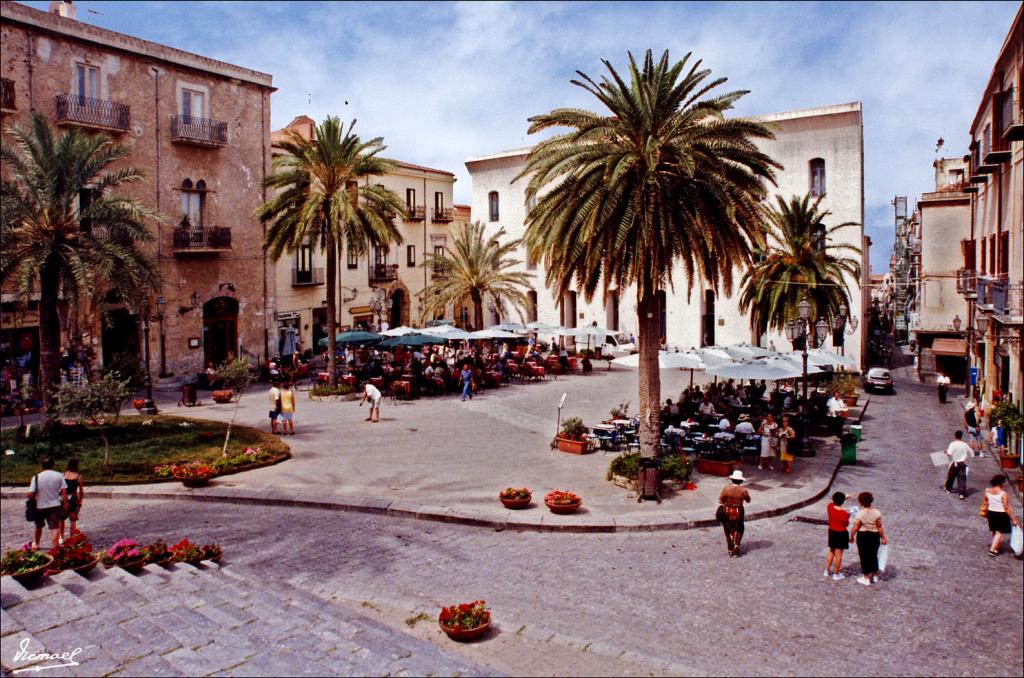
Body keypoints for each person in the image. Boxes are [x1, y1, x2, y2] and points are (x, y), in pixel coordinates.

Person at [27, 456, 67, 550]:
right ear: (53, 465)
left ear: (42, 466)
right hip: (55, 505)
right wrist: (65, 503)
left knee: (38, 525)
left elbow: (30, 493)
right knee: (55, 527)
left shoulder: (36, 477)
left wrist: (32, 499)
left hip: (40, 505)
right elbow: (64, 491)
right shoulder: (59, 475)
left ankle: (36, 544)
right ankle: (55, 546)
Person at [850, 491, 887, 586]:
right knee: (873, 555)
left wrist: (851, 536)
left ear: (861, 502)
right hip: (874, 536)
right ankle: (875, 575)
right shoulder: (877, 512)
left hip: (863, 536)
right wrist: (883, 537)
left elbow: (855, 527)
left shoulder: (860, 514)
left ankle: (866, 578)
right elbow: (879, 526)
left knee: (864, 556)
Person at [718, 470, 751, 557]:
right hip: (738, 511)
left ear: (732, 479)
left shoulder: (726, 488)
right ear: (741, 481)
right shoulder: (743, 490)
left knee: (727, 529)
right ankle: (736, 546)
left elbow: (721, 499)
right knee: (740, 528)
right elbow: (748, 500)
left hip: (728, 510)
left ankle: (729, 548)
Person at [984, 475, 1018, 556]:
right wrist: (1013, 519)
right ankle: (992, 550)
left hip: (991, 512)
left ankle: (997, 547)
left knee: (995, 531)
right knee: (999, 532)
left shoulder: (987, 490)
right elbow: (1006, 507)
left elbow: (986, 501)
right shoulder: (1003, 494)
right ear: (1001, 483)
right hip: (1001, 514)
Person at [824, 492, 850, 580]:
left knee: (831, 551)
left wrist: (843, 497)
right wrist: (848, 515)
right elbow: (846, 524)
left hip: (832, 532)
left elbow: (833, 502)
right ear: (842, 502)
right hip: (841, 534)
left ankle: (826, 570)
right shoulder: (843, 513)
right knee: (838, 555)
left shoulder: (829, 507)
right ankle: (836, 573)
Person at [61, 458, 84, 539]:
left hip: (63, 497)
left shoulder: (63, 474)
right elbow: (81, 491)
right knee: (73, 519)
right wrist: (80, 500)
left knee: (61, 519)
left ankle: (61, 537)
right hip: (73, 498)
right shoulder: (79, 476)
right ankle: (72, 538)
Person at [944, 430, 971, 499]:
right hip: (962, 463)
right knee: (962, 478)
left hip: (955, 462)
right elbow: (971, 452)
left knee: (951, 477)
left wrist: (945, 452)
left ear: (955, 436)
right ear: (961, 436)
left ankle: (948, 489)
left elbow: (949, 453)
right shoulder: (965, 444)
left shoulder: (952, 444)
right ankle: (961, 494)